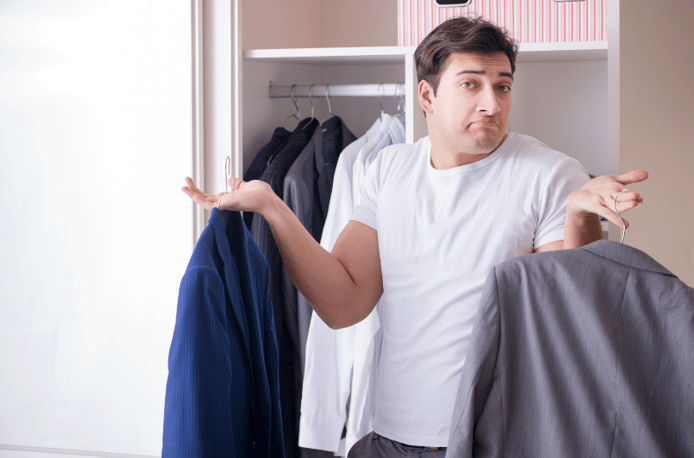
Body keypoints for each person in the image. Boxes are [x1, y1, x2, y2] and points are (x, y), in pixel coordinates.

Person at [183, 16, 647, 458]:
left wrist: (580, 215)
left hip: (498, 439)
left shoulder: (549, 173)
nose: (492, 102)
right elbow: (343, 304)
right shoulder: (388, 169)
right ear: (426, 95)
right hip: (391, 437)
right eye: (471, 84)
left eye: (502, 85)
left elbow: (567, 318)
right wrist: (272, 206)